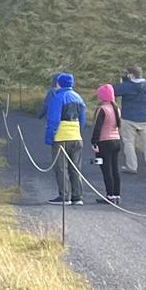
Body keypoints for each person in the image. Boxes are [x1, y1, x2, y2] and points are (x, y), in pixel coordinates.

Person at [43, 73, 87, 205]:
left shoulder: (58, 98)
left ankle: (64, 196)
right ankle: (77, 196)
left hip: (61, 137)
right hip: (76, 137)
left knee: (61, 168)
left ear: (59, 84)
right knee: (75, 167)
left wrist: (49, 137)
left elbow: (53, 120)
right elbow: (83, 120)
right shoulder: (79, 98)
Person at [114, 66, 146, 176]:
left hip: (129, 118)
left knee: (129, 142)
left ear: (131, 75)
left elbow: (115, 91)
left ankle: (132, 166)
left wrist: (122, 82)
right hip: (144, 118)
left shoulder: (127, 86)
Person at [92, 84, 123, 205]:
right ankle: (116, 194)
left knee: (106, 169)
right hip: (116, 140)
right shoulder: (116, 108)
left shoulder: (103, 109)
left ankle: (109, 195)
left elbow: (97, 128)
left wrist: (94, 142)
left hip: (105, 142)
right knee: (115, 169)